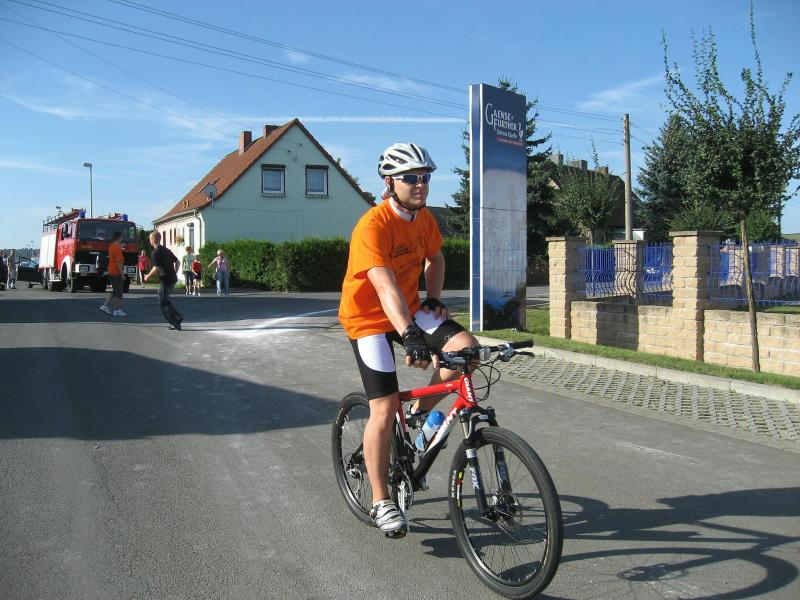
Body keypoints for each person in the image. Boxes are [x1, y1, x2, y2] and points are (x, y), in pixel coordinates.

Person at [338, 142, 478, 538]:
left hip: (409, 308)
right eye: (411, 178)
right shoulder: (373, 225)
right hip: (368, 319)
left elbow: (436, 258)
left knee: (466, 353)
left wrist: (433, 298)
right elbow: (383, 286)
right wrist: (410, 335)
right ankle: (381, 499)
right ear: (390, 182)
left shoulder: (425, 220)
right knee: (383, 408)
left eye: (426, 177)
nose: (421, 184)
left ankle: (424, 418)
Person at [144, 231, 184, 330]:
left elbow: (156, 268)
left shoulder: (155, 252)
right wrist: (174, 272)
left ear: (154, 239)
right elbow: (178, 262)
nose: (149, 241)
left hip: (166, 280)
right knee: (165, 299)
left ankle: (175, 323)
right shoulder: (166, 250)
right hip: (172, 278)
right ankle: (177, 317)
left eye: (150, 239)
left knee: (162, 302)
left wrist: (147, 276)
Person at [99, 232, 126, 317]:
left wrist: (121, 246)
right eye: (121, 237)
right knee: (119, 293)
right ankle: (116, 310)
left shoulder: (112, 246)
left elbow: (116, 251)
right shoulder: (117, 248)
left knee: (115, 291)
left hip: (111, 271)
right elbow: (119, 262)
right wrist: (122, 274)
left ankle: (105, 305)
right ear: (119, 238)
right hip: (116, 272)